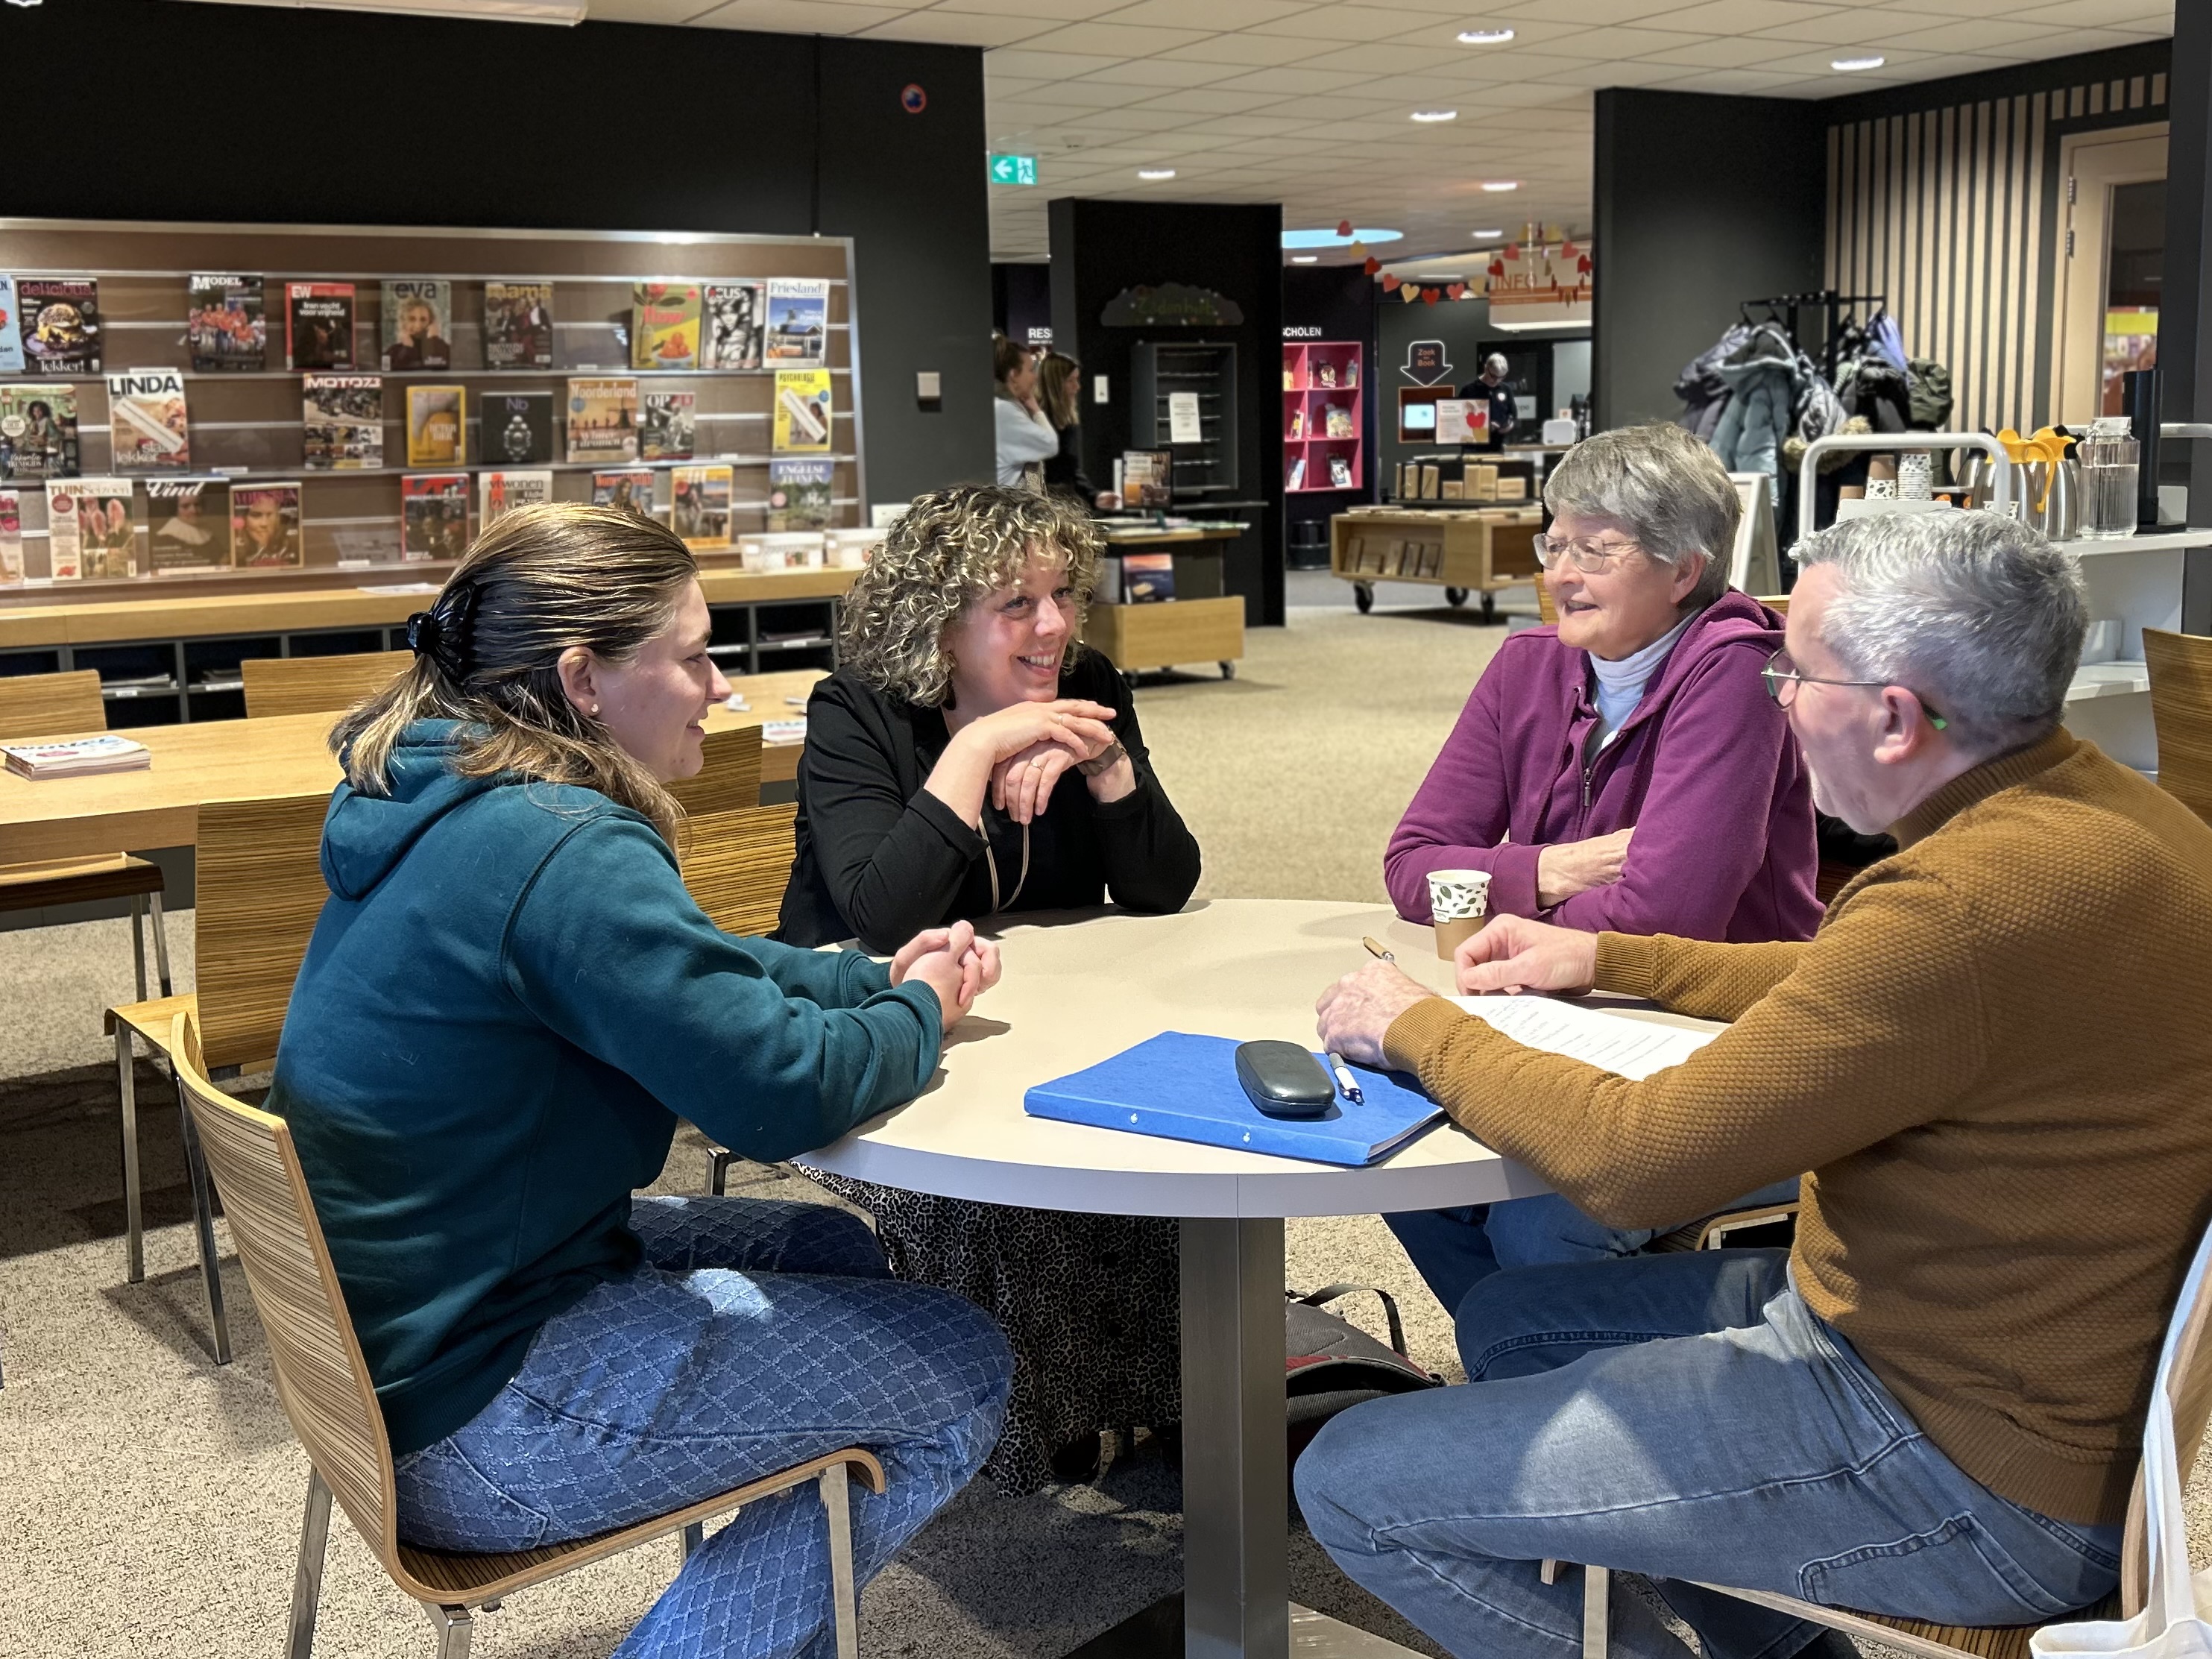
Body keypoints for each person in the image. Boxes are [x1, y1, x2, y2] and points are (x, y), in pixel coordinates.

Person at [1304, 509, 2212, 1659]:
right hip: (2010, 1382)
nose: (1775, 698)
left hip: (1959, 1462)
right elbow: (1852, 978)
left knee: (1352, 1480)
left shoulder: (1953, 905)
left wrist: (1418, 1026)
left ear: (1894, 718)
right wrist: (1608, 956)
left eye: (1795, 674)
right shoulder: (2108, 818)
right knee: (1512, 1321)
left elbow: (1637, 1162)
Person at [267, 503, 1015, 1659]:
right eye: (695, 657)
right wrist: (916, 1012)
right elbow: (777, 1094)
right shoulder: (559, 845)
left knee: (828, 1245)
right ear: (584, 680)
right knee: (963, 1366)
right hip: (476, 1414)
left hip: (387, 1352)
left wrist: (860, 978)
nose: (720, 686)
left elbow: (688, 967)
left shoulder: (450, 795)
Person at [779, 482, 1202, 1490]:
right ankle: (1031, 1430)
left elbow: (1162, 888)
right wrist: (975, 751)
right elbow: (880, 917)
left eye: (1062, 596)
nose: (1053, 626)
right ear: (939, 622)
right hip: (873, 1024)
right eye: (1017, 604)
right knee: (1003, 1187)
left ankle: (1166, 1401)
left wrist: (1106, 767)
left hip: (1047, 1013)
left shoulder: (1085, 683)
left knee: (1152, 1136)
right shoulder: (859, 709)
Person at [1383, 422, 1818, 1312]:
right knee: (1394, 1143)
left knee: (1545, 1217)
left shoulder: (1743, 673)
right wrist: (1555, 869)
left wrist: (1500, 904)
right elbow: (1412, 865)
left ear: (1683, 570)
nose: (1560, 574)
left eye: (1595, 549)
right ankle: (1523, 1364)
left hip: (1723, 1038)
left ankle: (1539, 1373)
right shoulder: (1526, 666)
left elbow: (1668, 916)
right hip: (1562, 1018)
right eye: (1554, 543)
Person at [1036, 350, 1116, 511]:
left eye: (1077, 380)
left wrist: (1094, 496)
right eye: (1071, 381)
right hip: (1043, 504)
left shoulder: (1065, 422)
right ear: (1056, 384)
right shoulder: (1036, 421)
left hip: (1062, 503)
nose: (1077, 387)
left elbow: (1070, 469)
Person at [994, 332, 1058, 489]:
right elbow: (1049, 444)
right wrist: (1036, 409)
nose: (1035, 377)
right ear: (1014, 375)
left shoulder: (1001, 406)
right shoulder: (1005, 410)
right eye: (1030, 370)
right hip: (1007, 501)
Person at [1475, 352, 1516, 449]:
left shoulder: (1506, 390)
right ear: (1486, 368)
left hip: (1500, 444)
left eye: (1502, 377)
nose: (1497, 381)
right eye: (1494, 376)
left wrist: (1508, 426)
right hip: (1476, 446)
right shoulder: (1470, 390)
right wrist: (1485, 425)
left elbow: (1513, 414)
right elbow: (1462, 420)